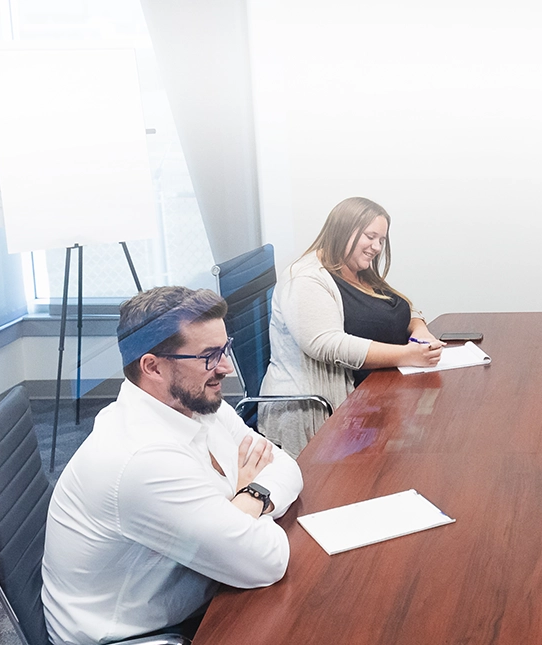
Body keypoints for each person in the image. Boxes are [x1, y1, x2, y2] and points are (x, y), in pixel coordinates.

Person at [42, 286, 304, 645]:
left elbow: (287, 466)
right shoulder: (142, 460)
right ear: (153, 367)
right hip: (134, 636)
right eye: (210, 356)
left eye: (225, 349)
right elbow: (266, 560)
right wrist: (248, 499)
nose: (227, 367)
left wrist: (246, 499)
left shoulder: (197, 402)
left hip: (195, 594)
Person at [259, 197, 442, 457]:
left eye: (382, 240)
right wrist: (407, 355)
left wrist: (418, 328)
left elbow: (394, 308)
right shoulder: (304, 279)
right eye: (371, 236)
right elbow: (326, 344)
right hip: (317, 410)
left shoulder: (357, 270)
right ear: (344, 229)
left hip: (371, 394)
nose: (377, 247)